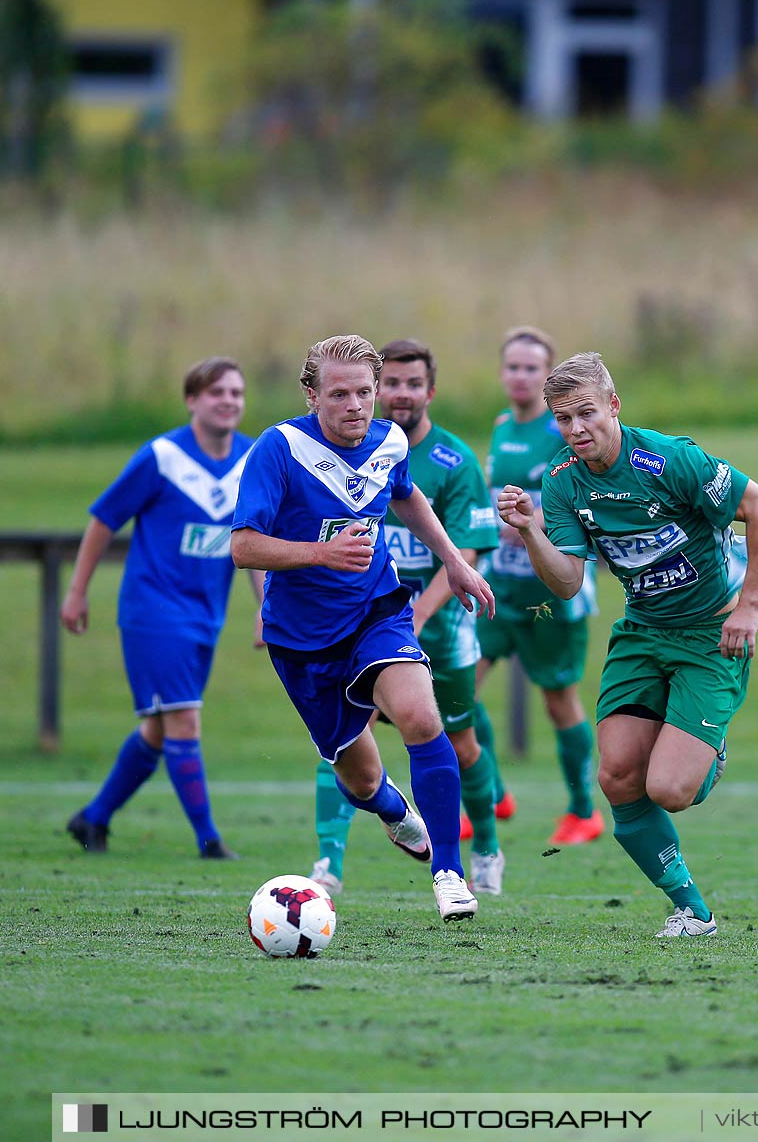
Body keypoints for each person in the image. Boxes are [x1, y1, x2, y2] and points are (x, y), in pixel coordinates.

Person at [497, 352, 758, 938]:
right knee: (618, 776)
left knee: (670, 790)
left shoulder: (669, 459)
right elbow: (568, 580)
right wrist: (529, 531)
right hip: (642, 633)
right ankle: (692, 910)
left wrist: (750, 606)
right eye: (563, 418)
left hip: (711, 633)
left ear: (614, 406)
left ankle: (709, 749)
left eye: (587, 413)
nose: (576, 429)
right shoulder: (562, 482)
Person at [231, 335, 496, 922]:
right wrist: (321, 554)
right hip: (300, 639)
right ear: (312, 395)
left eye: (365, 393)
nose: (356, 406)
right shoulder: (279, 450)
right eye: (340, 394)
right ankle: (395, 810)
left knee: (423, 718)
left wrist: (453, 560)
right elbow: (243, 546)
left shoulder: (389, 440)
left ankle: (450, 874)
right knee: (359, 777)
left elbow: (407, 495)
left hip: (378, 610)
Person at [310, 339, 504, 898]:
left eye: (411, 384)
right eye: (389, 383)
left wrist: (419, 612)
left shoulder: (452, 461)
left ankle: (486, 848)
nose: (399, 394)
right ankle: (329, 862)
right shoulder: (339, 454)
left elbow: (467, 548)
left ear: (429, 391)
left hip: (440, 632)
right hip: (364, 625)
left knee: (461, 744)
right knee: (347, 737)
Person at [62, 357, 261, 859]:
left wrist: (267, 603)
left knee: (159, 725)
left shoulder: (252, 458)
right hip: (154, 608)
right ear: (192, 400)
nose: (228, 401)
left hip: (205, 613)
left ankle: (94, 817)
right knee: (184, 721)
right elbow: (104, 520)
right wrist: (77, 590)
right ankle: (209, 840)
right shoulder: (162, 457)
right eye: (216, 392)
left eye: (236, 393)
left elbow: (254, 539)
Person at [474, 326, 605, 847]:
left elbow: (586, 504)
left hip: (550, 597)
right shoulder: (502, 426)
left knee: (558, 701)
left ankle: (582, 811)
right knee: (455, 685)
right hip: (499, 588)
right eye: (513, 367)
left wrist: (533, 524)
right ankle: (491, 794)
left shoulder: (563, 433)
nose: (521, 376)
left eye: (533, 368)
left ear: (549, 378)